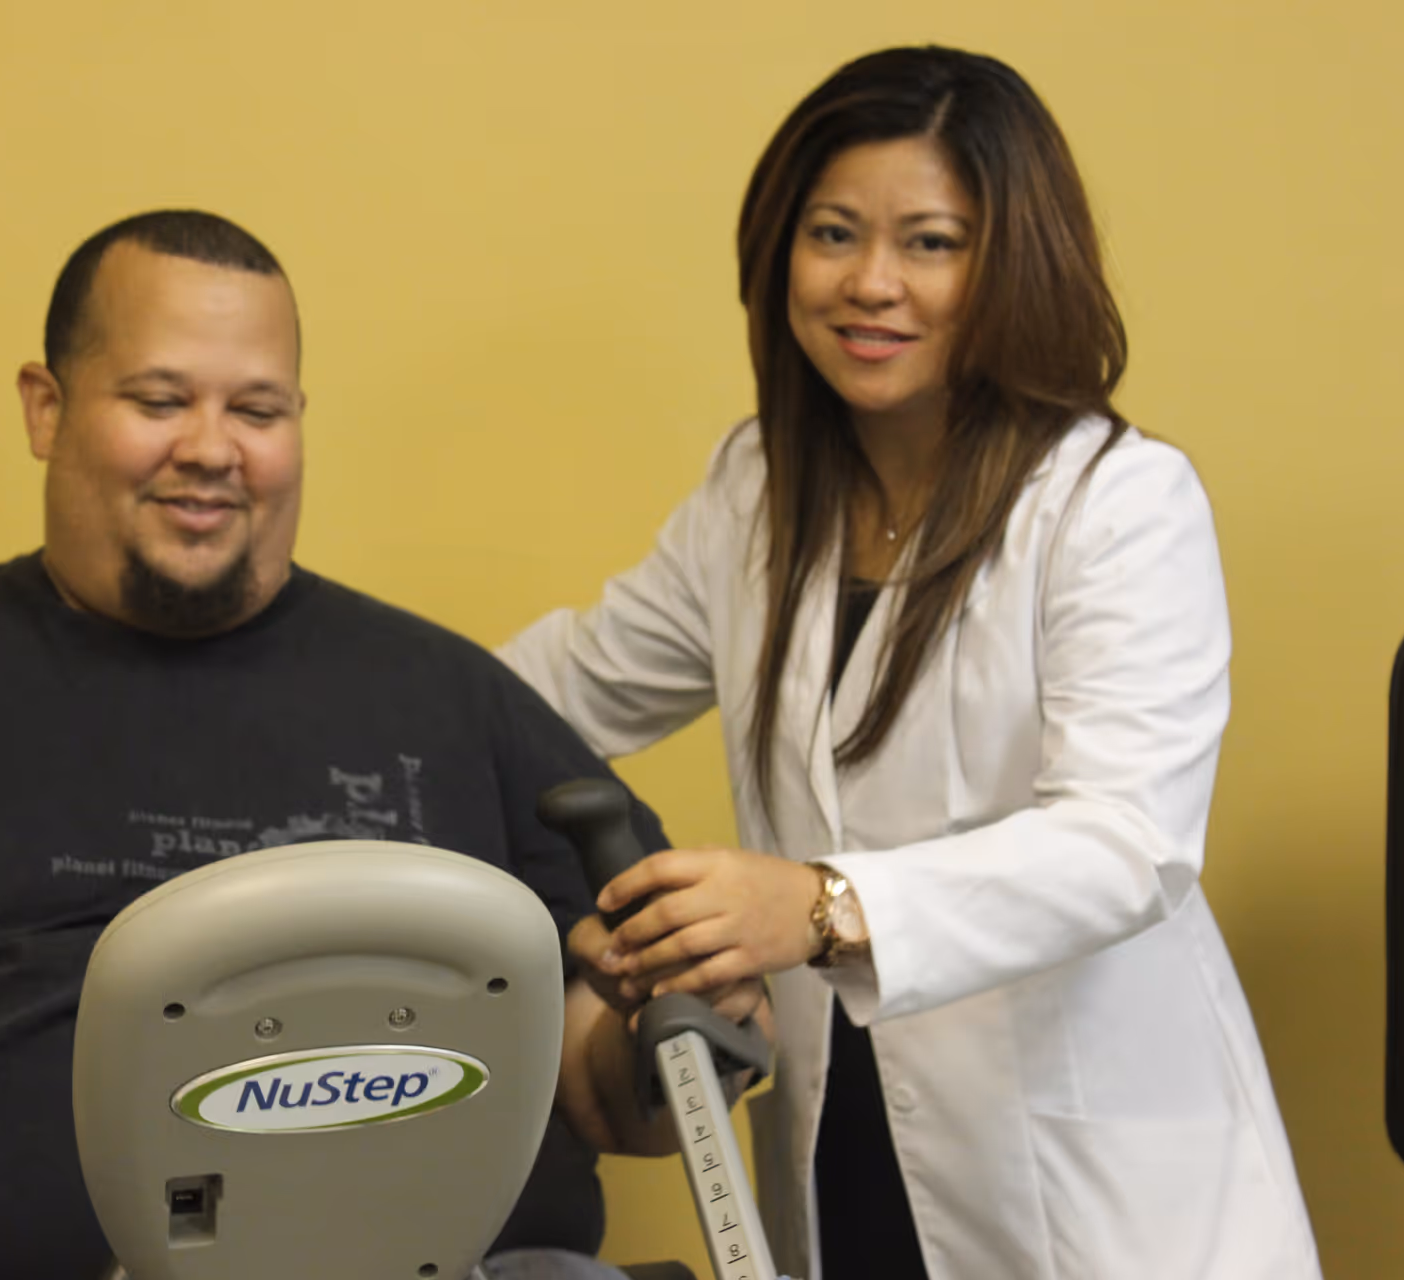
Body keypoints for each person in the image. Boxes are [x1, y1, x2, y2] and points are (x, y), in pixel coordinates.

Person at [0, 210, 752, 1280]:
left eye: (258, 410)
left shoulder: (460, 700)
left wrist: (683, 1019)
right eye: (158, 400)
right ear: (46, 406)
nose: (213, 448)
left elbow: (626, 1097)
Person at [500, 46, 1322, 1280]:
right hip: (849, 1153)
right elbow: (558, 689)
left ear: (1011, 261)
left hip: (1089, 1197)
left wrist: (818, 906)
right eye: (834, 232)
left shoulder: (1113, 502)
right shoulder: (760, 492)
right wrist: (331, 695)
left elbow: (1126, 841)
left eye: (931, 242)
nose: (872, 283)